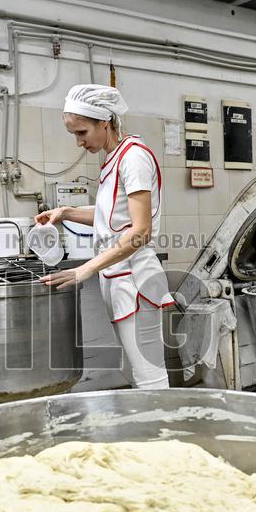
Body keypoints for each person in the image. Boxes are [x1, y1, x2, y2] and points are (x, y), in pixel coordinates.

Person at [36, 83, 174, 389]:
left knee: (149, 374)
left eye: (82, 132)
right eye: (74, 134)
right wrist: (66, 212)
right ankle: (149, 431)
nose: (78, 142)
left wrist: (85, 269)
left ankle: (164, 433)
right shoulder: (112, 160)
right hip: (118, 278)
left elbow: (140, 232)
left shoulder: (133, 158)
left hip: (137, 281)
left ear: (104, 121)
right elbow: (110, 218)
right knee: (135, 371)